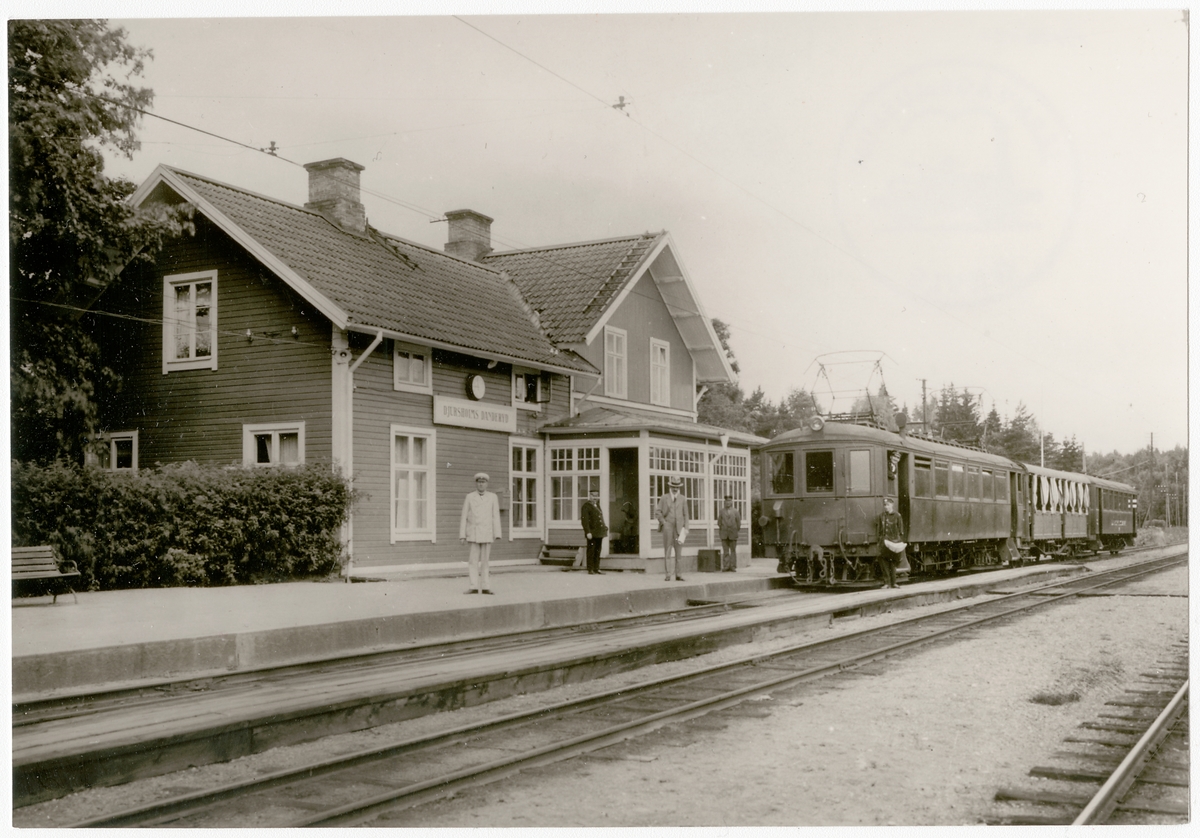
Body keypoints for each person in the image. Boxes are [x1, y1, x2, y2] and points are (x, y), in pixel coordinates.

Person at [460, 472, 502, 594]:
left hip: (487, 533)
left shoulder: (493, 497)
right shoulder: (469, 497)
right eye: (479, 482)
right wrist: (462, 535)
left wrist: (497, 533)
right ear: (476, 483)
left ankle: (485, 587)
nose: (481, 484)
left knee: (485, 561)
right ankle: (473, 586)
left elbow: (495, 516)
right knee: (473, 561)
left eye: (483, 482)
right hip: (473, 533)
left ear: (487, 484)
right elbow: (464, 516)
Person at [655, 476, 688, 581]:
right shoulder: (664, 498)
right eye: (673, 486)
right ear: (670, 486)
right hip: (668, 528)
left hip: (679, 529)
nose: (675, 489)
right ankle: (668, 574)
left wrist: (686, 528)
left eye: (677, 487)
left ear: (679, 488)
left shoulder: (682, 499)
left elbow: (686, 515)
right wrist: (664, 523)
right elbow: (658, 512)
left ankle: (678, 575)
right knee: (668, 551)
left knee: (679, 553)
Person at [878, 496, 906, 590]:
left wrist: (898, 542)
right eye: (884, 505)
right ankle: (887, 583)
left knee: (893, 562)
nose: (886, 507)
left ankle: (894, 583)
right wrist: (880, 540)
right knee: (884, 562)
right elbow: (880, 530)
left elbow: (901, 530)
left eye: (888, 505)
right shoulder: (881, 516)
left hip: (894, 542)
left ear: (892, 505)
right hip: (884, 542)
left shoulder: (897, 515)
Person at [580, 488, 608, 575]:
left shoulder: (597, 505)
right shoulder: (586, 506)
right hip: (591, 533)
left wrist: (604, 527)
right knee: (591, 551)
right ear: (589, 496)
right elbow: (584, 521)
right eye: (593, 496)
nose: (595, 497)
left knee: (598, 550)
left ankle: (597, 568)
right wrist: (587, 532)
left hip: (599, 532)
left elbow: (600, 518)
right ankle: (590, 569)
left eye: (596, 496)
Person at [717, 494, 742, 572]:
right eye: (726, 501)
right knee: (725, 551)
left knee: (733, 550)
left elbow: (738, 523)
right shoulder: (721, 511)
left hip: (733, 533)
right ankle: (726, 566)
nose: (728, 502)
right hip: (724, 534)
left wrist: (734, 530)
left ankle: (733, 566)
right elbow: (719, 522)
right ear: (724, 502)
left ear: (731, 502)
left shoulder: (735, 511)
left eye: (729, 501)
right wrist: (723, 529)